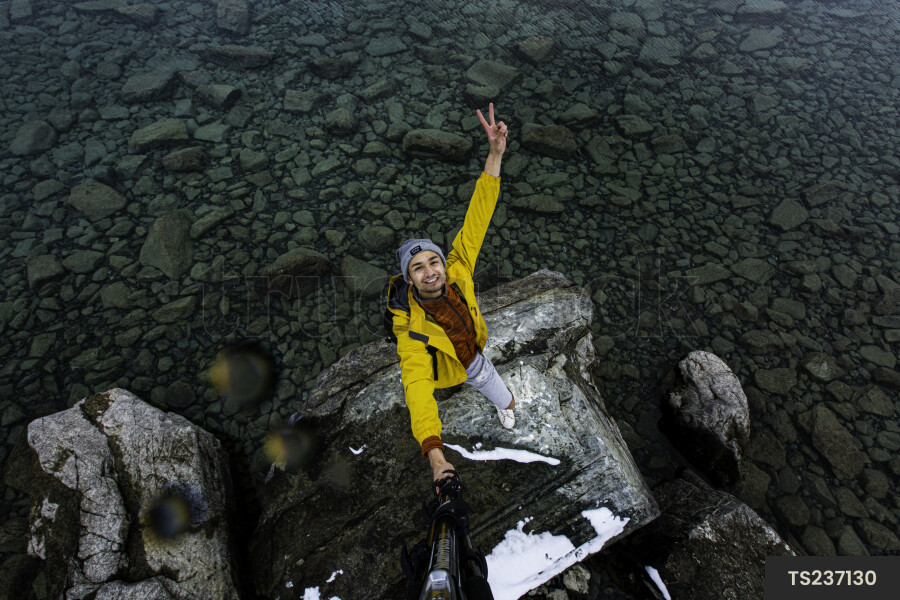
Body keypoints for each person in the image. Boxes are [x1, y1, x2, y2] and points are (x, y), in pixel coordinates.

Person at [386, 103, 511, 490]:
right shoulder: (409, 326)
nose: (430, 271)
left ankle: (504, 405)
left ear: (443, 262)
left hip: (474, 360)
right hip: (449, 370)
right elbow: (416, 385)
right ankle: (467, 388)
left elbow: (478, 215)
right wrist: (435, 455)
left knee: (506, 400)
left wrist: (495, 154)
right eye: (418, 268)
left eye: (433, 261)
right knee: (441, 386)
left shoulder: (458, 268)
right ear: (409, 280)